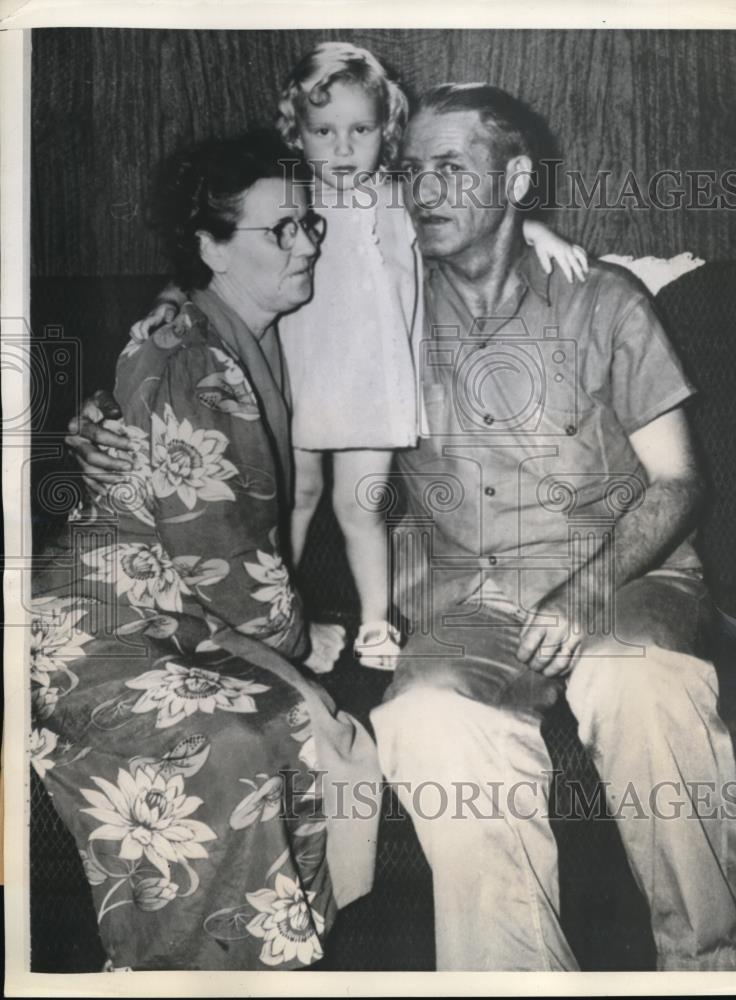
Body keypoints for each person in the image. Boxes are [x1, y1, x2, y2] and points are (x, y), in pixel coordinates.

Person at [365, 83, 736, 971]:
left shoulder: (605, 301)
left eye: (449, 169)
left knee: (639, 684)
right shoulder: (377, 313)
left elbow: (678, 481)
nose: (422, 192)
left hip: (627, 579)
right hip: (470, 599)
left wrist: (585, 593)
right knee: (426, 716)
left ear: (514, 181)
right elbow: (250, 261)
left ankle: (715, 965)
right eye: (410, 172)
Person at [30, 130, 380, 971]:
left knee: (294, 723)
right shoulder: (191, 353)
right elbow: (219, 557)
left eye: (308, 224)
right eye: (280, 231)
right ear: (208, 246)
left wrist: (301, 653)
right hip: (100, 629)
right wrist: (299, 653)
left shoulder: (250, 328)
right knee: (246, 735)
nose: (306, 246)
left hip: (179, 619)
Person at [128, 41, 588, 670]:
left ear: (386, 129)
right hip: (301, 375)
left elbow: (477, 218)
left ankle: (375, 622)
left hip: (374, 378)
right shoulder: (291, 195)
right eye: (323, 131)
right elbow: (211, 258)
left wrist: (534, 228)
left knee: (363, 502)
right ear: (297, 131)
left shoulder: (401, 196)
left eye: (360, 130)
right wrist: (167, 296)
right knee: (294, 497)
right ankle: (279, 617)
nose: (342, 149)